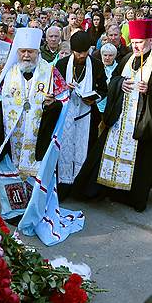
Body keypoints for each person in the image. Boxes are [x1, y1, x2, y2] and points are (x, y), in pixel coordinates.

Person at [73, 19, 152, 212]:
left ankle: (133, 198)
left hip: (143, 121)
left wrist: (151, 90)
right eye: (134, 41)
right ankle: (102, 190)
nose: (137, 45)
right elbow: (113, 80)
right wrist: (120, 84)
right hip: (121, 118)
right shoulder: (127, 58)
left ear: (151, 39)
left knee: (141, 160)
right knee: (105, 153)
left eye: (141, 41)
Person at [0, 27, 68, 181]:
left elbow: (64, 101)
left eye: (30, 51)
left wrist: (54, 104)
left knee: (36, 181)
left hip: (40, 136)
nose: (26, 55)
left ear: (37, 52)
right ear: (17, 52)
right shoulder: (9, 74)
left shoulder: (50, 72)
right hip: (12, 135)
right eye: (23, 51)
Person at [54, 31, 108, 194]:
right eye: (78, 53)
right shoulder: (62, 65)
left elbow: (103, 89)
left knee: (85, 150)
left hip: (87, 116)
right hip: (65, 115)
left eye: (85, 52)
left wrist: (93, 99)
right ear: (72, 50)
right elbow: (54, 89)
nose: (82, 56)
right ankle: (63, 187)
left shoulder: (97, 65)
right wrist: (65, 90)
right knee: (64, 148)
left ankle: (81, 188)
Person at [96, 43, 118, 113]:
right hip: (98, 104)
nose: (107, 58)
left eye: (110, 55)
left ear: (115, 56)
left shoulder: (119, 68)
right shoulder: (97, 67)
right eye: (105, 55)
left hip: (113, 105)